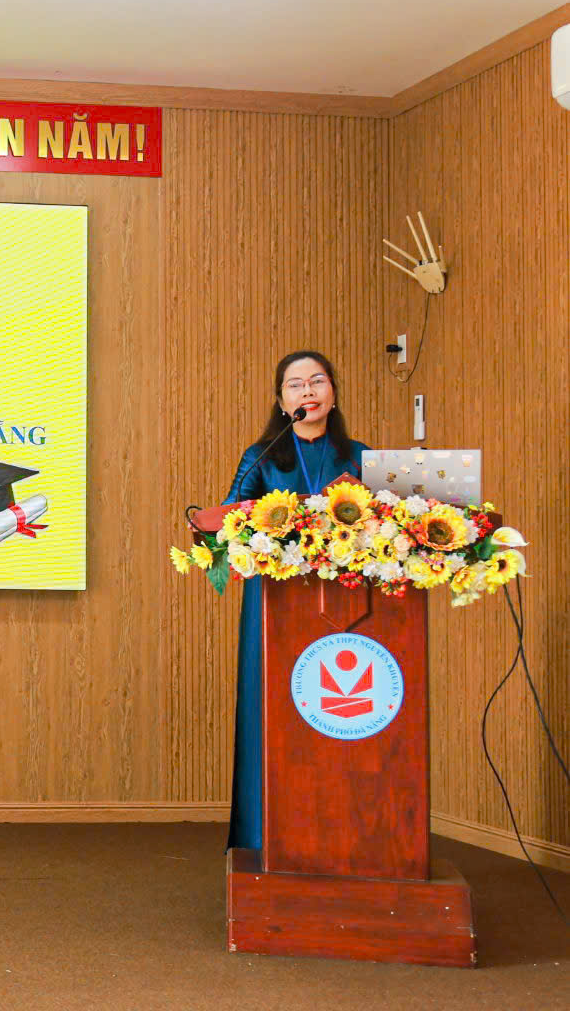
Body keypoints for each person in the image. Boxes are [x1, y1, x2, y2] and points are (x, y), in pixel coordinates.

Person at [223, 350, 367, 851]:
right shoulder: (262, 455)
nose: (308, 391)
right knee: (272, 708)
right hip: (274, 600)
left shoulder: (360, 456)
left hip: (351, 604)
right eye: (295, 384)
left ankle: (347, 832)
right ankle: (263, 834)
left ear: (333, 392)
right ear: (281, 401)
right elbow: (230, 517)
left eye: (317, 381)